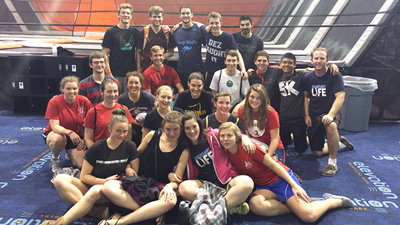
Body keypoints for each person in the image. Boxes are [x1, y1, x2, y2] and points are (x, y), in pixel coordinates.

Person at [218, 122, 353, 223]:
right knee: (256, 205)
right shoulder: (225, 152)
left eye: (229, 135)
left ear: (237, 137)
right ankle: (295, 206)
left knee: (309, 216)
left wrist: (294, 185)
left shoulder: (250, 148)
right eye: (222, 136)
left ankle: (334, 201)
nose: (225, 139)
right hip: (265, 186)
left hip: (280, 179)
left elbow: (274, 165)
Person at [40, 108, 139, 225]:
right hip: (95, 184)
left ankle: (60, 223)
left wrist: (127, 168)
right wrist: (104, 181)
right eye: (118, 131)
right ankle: (95, 211)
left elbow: (133, 176)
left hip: (114, 189)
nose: (122, 135)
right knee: (59, 180)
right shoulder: (96, 148)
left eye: (125, 131)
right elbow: (84, 177)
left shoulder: (130, 146)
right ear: (109, 129)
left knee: (95, 190)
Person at [98, 111, 189, 225]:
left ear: (181, 129)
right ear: (163, 127)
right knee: (108, 187)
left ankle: (120, 222)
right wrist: (128, 167)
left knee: (170, 202)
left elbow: (177, 179)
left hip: (160, 187)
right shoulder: (152, 135)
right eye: (168, 129)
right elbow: (135, 155)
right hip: (139, 180)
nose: (171, 133)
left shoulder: (183, 150)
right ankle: (151, 212)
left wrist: (170, 187)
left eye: (175, 129)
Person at [175, 112, 254, 216]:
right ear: (183, 131)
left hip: (227, 180)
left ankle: (212, 211)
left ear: (200, 125)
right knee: (184, 188)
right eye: (187, 128)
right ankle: (228, 207)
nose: (192, 131)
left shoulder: (213, 134)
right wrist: (171, 174)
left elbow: (234, 134)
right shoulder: (185, 149)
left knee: (247, 183)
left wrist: (245, 138)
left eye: (194, 126)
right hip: (205, 185)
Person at [278, 53, 353, 153]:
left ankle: (340, 144)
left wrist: (332, 66)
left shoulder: (301, 76)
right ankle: (298, 137)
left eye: (290, 63)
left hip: (299, 118)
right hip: (286, 117)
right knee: (284, 142)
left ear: (295, 65)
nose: (287, 65)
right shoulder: (277, 75)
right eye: (284, 62)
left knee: (307, 150)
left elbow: (318, 70)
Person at [303, 47, 348, 177]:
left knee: (331, 125)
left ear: (327, 60)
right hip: (314, 116)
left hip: (330, 114)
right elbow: (306, 97)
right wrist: (307, 115)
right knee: (316, 152)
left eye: (322, 58)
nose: (319, 61)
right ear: (312, 60)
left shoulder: (335, 75)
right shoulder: (307, 78)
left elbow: (340, 97)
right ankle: (340, 144)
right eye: (316, 58)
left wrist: (331, 115)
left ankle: (332, 163)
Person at [43, 76, 92, 172]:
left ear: (78, 88)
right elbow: (55, 126)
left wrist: (85, 139)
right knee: (58, 139)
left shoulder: (84, 101)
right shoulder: (54, 101)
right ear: (62, 89)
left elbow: (91, 123)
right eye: (68, 89)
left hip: (77, 136)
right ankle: (55, 158)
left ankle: (69, 152)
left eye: (74, 88)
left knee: (81, 165)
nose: (72, 91)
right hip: (58, 133)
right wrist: (70, 132)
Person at [201, 12, 247, 91]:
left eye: (217, 23)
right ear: (208, 24)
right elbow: (197, 24)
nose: (214, 25)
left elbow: (237, 53)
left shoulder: (228, 37)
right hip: (210, 71)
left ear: (221, 23)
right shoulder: (206, 33)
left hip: (223, 72)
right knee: (210, 95)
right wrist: (180, 24)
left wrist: (243, 69)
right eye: (211, 23)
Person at [237, 84, 284, 160]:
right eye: (252, 97)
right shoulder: (242, 111)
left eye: (258, 98)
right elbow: (246, 134)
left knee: (273, 170)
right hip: (254, 144)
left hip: (271, 146)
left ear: (263, 99)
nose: (254, 101)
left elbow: (275, 139)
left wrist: (267, 158)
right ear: (248, 97)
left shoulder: (271, 112)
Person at [83, 79, 134, 149]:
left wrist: (123, 151)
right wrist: (94, 152)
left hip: (120, 150)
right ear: (101, 92)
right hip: (100, 150)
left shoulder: (124, 109)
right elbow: (88, 138)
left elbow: (128, 136)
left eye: (115, 91)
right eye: (109, 92)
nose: (113, 95)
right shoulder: (93, 112)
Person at [102, 3, 139, 92]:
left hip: (130, 74)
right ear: (118, 15)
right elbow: (104, 54)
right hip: (115, 73)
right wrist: (108, 72)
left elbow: (138, 52)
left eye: (127, 13)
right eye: (123, 13)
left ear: (131, 16)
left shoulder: (136, 32)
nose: (125, 15)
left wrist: (138, 70)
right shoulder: (110, 32)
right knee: (115, 99)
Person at [117, 71, 156, 146]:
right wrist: (139, 124)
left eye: (136, 83)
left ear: (141, 84)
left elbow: (156, 110)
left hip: (147, 125)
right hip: (131, 126)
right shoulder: (122, 99)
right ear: (126, 84)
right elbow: (121, 117)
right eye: (130, 83)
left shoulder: (147, 96)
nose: (133, 85)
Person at [173, 5, 205, 89]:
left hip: (198, 69)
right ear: (180, 15)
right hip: (182, 71)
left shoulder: (199, 31)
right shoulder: (176, 32)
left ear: (192, 15)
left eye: (188, 13)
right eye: (183, 13)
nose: (185, 15)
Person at [136, 6, 176, 72]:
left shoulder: (167, 33)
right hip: (146, 69)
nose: (157, 19)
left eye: (159, 17)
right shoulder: (144, 32)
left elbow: (171, 51)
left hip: (162, 70)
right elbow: (138, 52)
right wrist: (138, 70)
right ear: (150, 18)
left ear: (162, 18)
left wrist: (166, 55)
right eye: (154, 17)